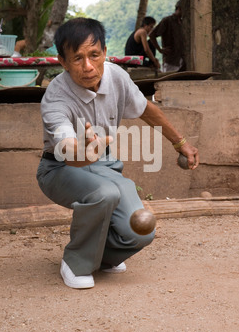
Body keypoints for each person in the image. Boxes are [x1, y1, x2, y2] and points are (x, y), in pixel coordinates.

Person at [37, 17, 199, 290]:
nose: (88, 66)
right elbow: (68, 150)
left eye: (94, 55)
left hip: (103, 164)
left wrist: (180, 141)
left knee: (140, 231)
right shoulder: (56, 97)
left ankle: (101, 255)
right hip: (59, 169)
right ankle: (76, 262)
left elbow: (146, 109)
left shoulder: (115, 75)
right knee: (105, 194)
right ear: (62, 62)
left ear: (104, 51)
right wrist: (88, 153)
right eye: (77, 59)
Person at [149, 0, 186, 72]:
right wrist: (160, 49)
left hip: (182, 60)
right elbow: (152, 35)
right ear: (179, 8)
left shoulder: (182, 23)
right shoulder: (167, 20)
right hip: (171, 60)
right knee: (169, 80)